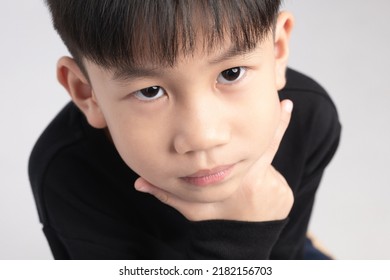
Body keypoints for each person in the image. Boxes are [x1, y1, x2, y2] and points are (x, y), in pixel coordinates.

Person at [29, 0, 341, 259]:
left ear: (277, 51)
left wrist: (264, 230)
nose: (203, 136)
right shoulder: (65, 173)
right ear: (87, 93)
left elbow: (283, 258)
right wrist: (243, 235)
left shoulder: (310, 117)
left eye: (231, 73)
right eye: (150, 91)